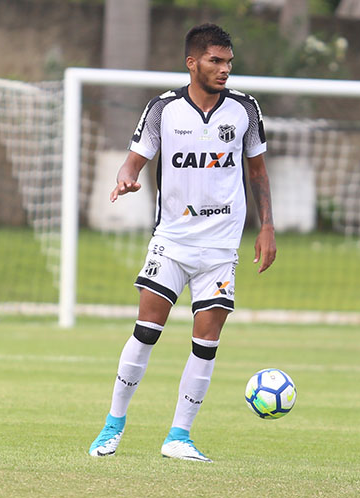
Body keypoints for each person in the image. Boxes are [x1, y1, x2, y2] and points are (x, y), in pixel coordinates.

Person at [88, 23, 276, 462]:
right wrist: (126, 180)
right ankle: (113, 425)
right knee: (146, 330)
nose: (224, 69)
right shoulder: (162, 110)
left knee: (206, 339)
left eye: (228, 61)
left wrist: (267, 225)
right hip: (172, 241)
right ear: (192, 63)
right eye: (215, 60)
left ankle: (179, 436)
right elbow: (132, 162)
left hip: (220, 248)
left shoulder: (245, 111)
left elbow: (258, 173)